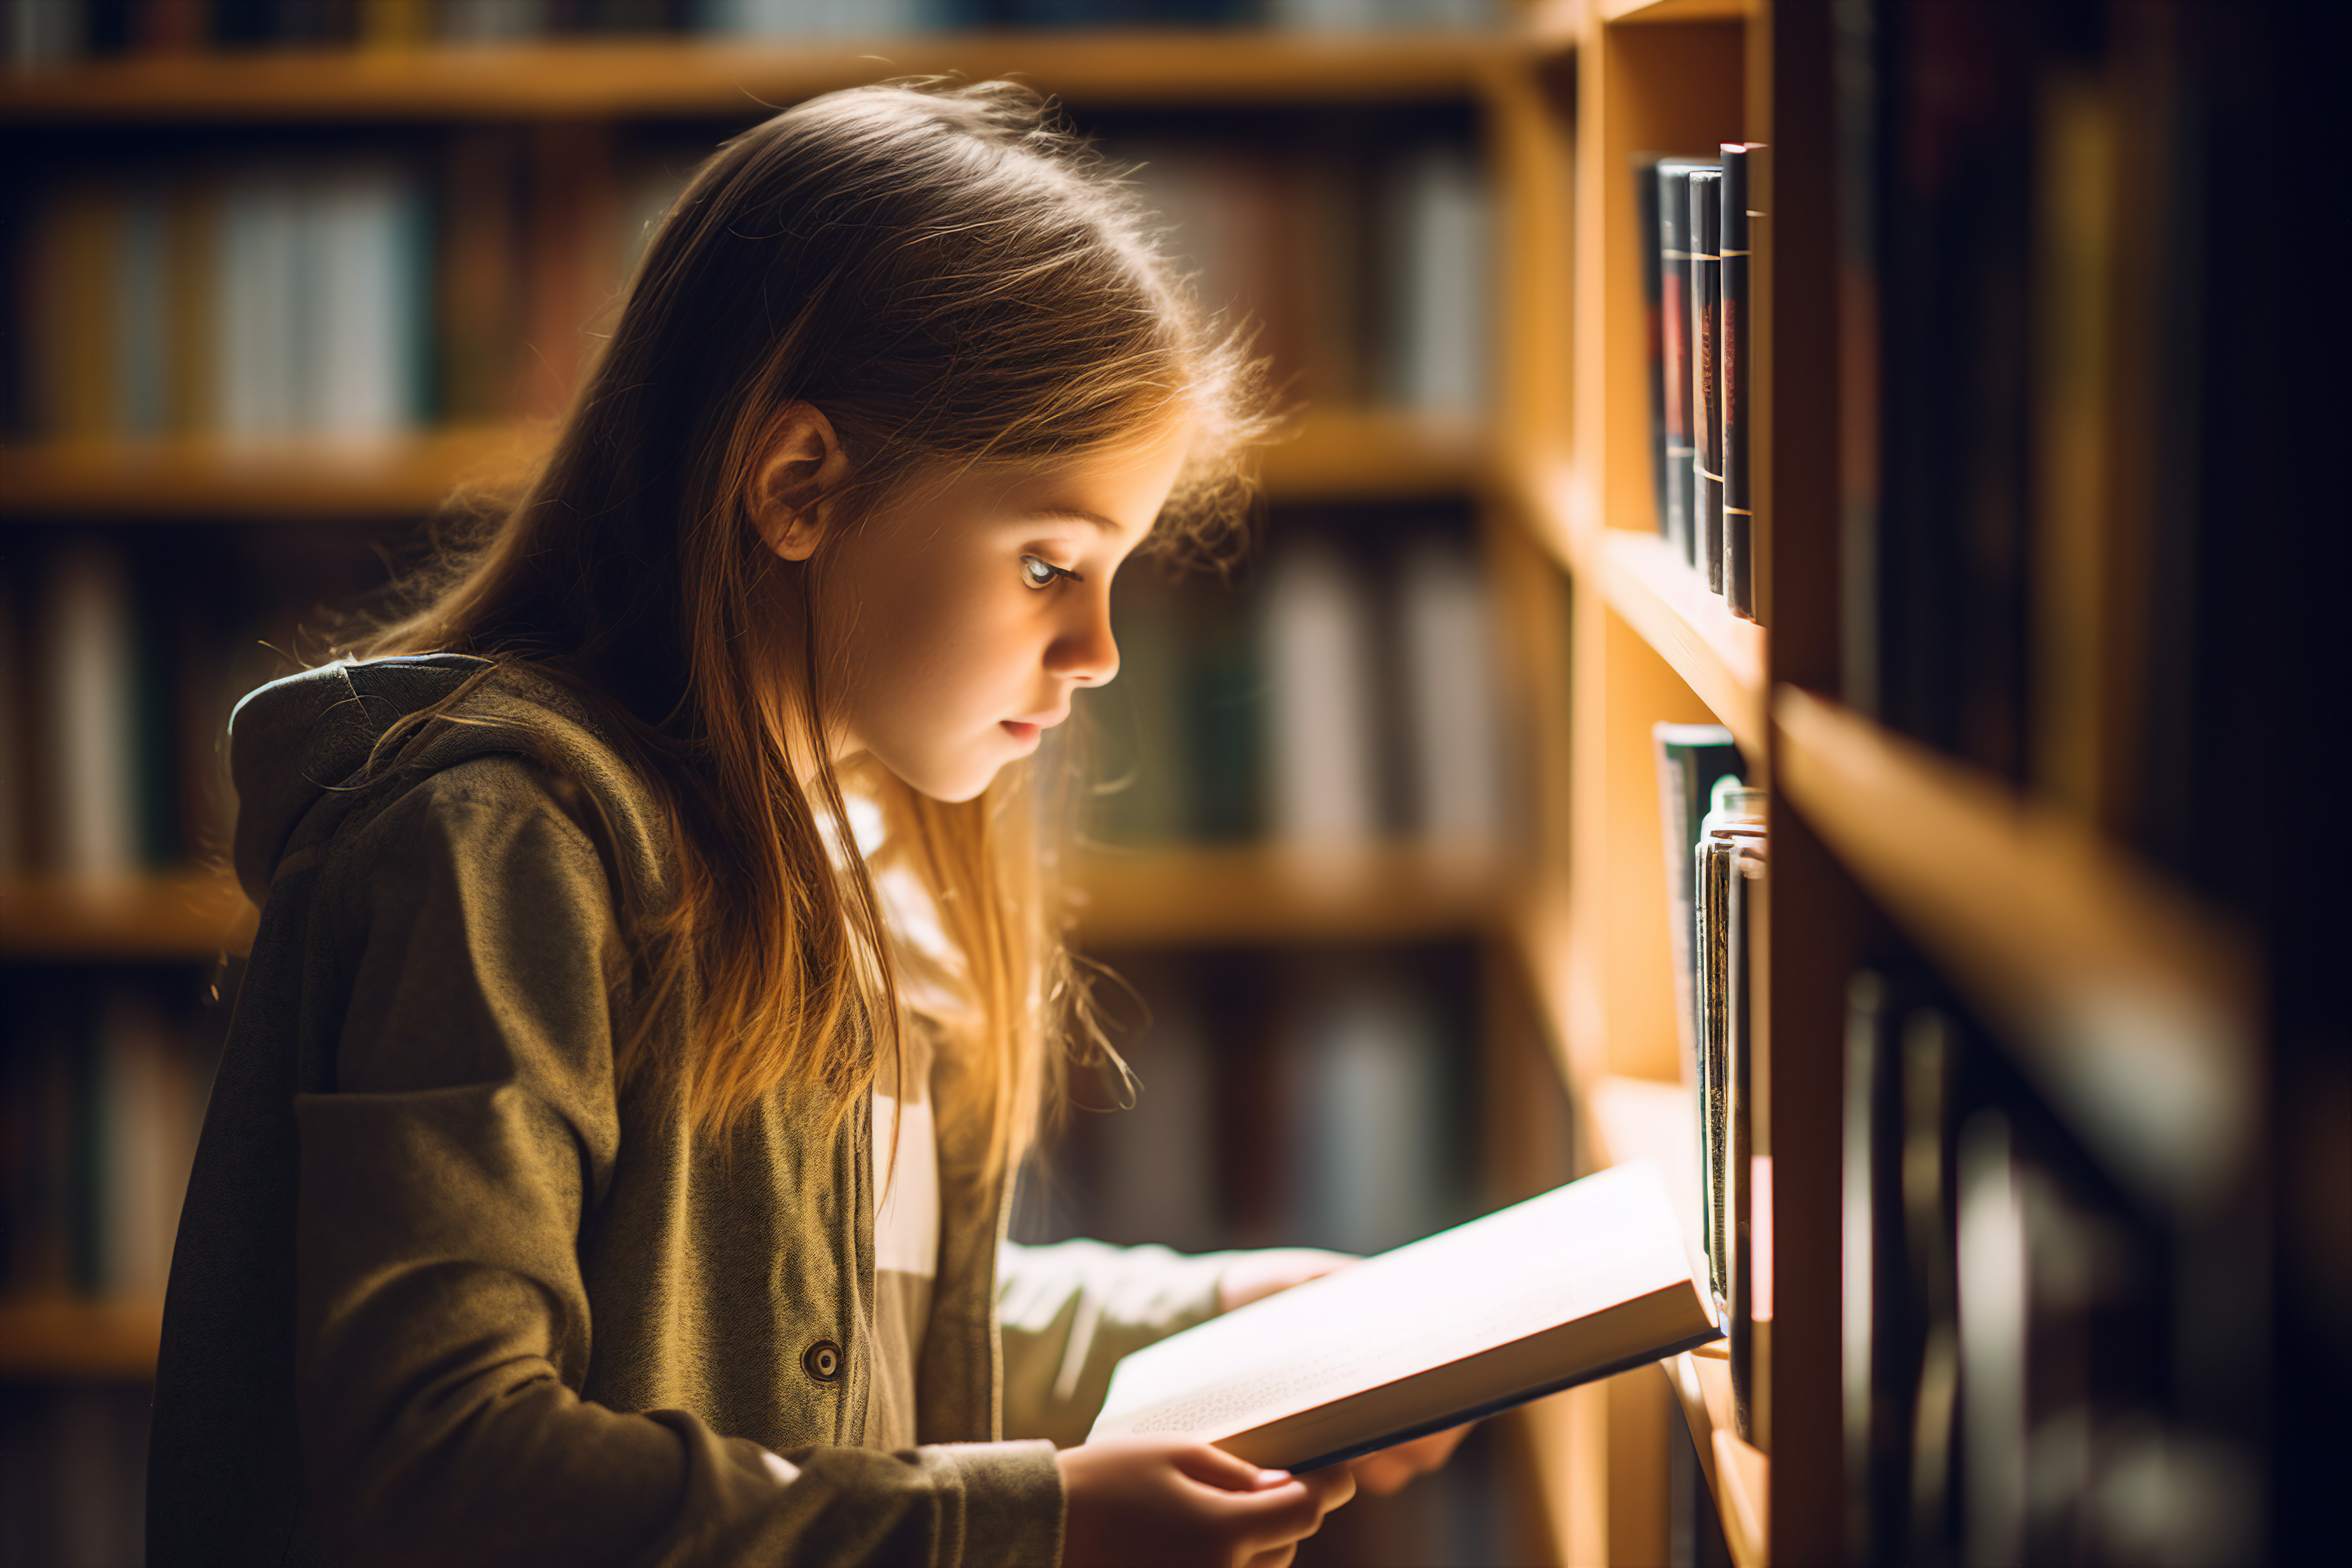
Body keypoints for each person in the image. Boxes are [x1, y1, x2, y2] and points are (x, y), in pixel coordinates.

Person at [148, 80, 1463, 1568]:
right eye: (1049, 563)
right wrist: (1024, 1524)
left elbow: (838, 1317)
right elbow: (446, 1460)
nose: (1099, 650)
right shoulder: (502, 845)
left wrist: (1207, 1317)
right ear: (798, 485)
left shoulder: (865, 833)